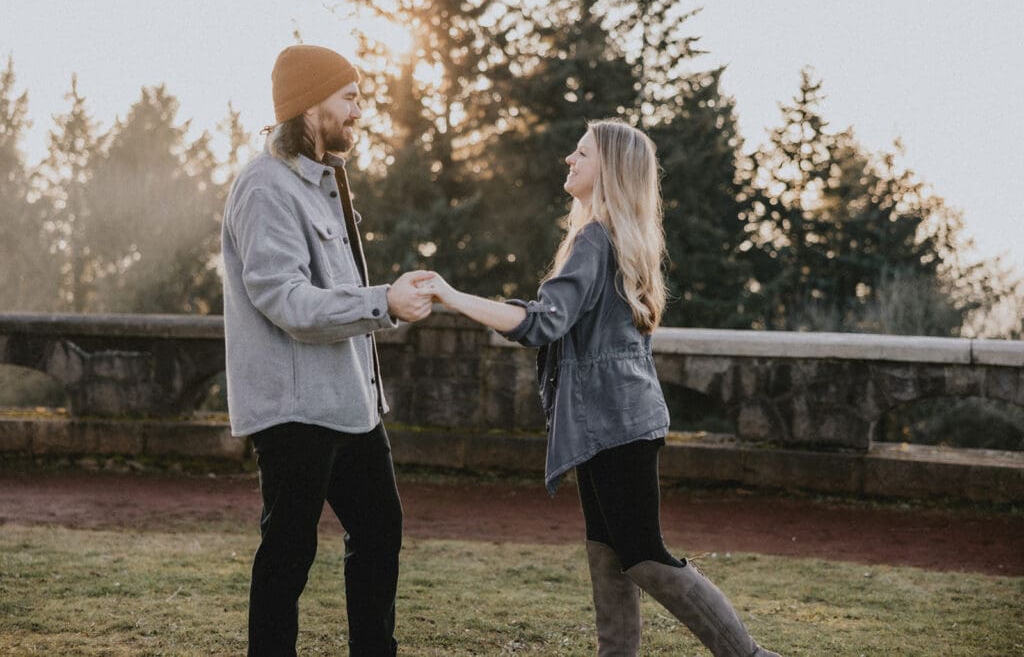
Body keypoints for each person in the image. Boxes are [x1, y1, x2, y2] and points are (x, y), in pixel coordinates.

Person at [420, 119, 780, 657]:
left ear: (608, 170)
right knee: (607, 551)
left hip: (615, 423)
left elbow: (543, 322)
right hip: (617, 422)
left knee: (642, 554)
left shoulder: (594, 238)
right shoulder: (618, 238)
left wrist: (453, 296)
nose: (569, 158)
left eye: (582, 152)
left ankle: (748, 656)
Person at [221, 44, 434, 656]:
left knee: (379, 531)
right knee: (289, 551)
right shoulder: (264, 188)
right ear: (309, 105)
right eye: (350, 97)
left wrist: (387, 299)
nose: (359, 110)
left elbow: (335, 292)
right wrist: (382, 302)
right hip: (293, 410)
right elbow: (287, 300)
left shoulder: (327, 182)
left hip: (350, 404)